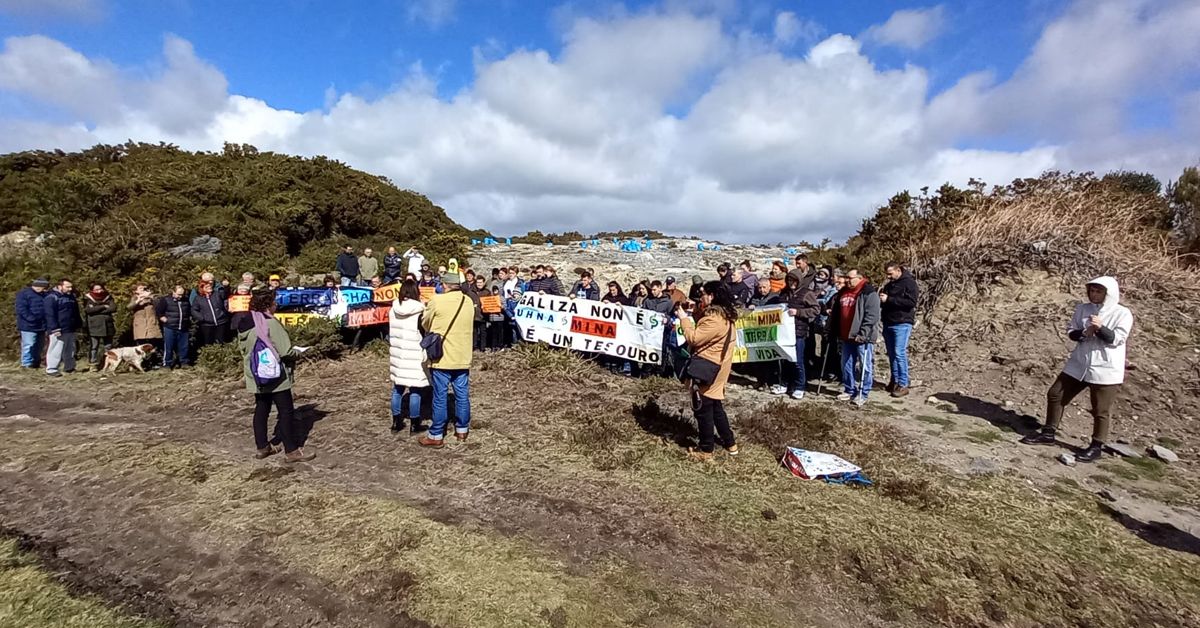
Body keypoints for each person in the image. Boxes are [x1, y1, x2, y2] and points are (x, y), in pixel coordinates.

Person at [1020, 277, 1133, 462]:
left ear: (1108, 294)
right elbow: (1072, 331)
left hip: (1105, 368)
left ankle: (1096, 446)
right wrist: (1083, 333)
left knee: (1100, 409)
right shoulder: (1083, 309)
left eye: (1099, 291)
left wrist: (1100, 328)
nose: (1094, 295)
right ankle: (1048, 432)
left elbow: (1117, 339)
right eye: (1092, 290)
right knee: (1056, 394)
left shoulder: (1122, 313)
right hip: (1079, 362)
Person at [237, 285, 313, 462]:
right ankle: (292, 451)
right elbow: (285, 351)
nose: (276, 305)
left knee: (261, 409)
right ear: (268, 304)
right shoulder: (270, 323)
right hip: (275, 375)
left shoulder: (244, 322)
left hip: (255, 374)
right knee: (286, 411)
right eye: (274, 301)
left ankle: (262, 447)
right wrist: (300, 353)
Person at [676, 281, 739, 461]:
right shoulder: (725, 316)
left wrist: (683, 318)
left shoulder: (714, 319)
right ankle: (730, 444)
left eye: (703, 294)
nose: (701, 296)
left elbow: (695, 338)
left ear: (712, 296)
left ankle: (706, 450)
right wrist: (695, 311)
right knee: (716, 408)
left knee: (702, 408)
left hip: (708, 368)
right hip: (719, 366)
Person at [418, 271, 475, 447]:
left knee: (440, 396)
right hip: (463, 355)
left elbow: (425, 323)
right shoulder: (468, 301)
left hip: (442, 356)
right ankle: (462, 430)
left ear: (445, 285)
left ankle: (436, 434)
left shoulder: (437, 300)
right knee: (462, 394)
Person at [828, 269, 880, 406]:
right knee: (846, 363)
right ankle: (849, 389)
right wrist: (833, 329)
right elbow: (836, 312)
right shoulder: (843, 292)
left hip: (862, 337)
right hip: (846, 335)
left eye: (850, 278)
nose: (847, 280)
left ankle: (863, 392)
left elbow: (872, 316)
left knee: (865, 365)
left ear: (860, 278)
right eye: (846, 278)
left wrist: (863, 333)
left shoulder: (869, 292)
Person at [389, 279, 430, 434]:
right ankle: (414, 424)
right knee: (415, 389)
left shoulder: (393, 308)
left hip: (398, 351)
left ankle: (396, 422)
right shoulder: (419, 309)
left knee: (397, 388)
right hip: (414, 351)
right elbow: (425, 328)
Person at [880, 262, 919, 397]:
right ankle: (895, 380)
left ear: (898, 270)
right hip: (888, 322)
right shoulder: (889, 285)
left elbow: (911, 302)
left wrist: (889, 299)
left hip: (902, 322)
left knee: (899, 352)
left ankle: (903, 384)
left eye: (890, 274)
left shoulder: (909, 283)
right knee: (891, 354)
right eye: (887, 274)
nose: (889, 277)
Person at [779, 274, 819, 399]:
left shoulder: (806, 293)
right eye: (789, 280)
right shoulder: (784, 293)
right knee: (784, 359)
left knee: (798, 361)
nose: (791, 282)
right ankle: (784, 384)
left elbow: (816, 309)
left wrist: (799, 312)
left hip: (798, 332)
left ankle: (800, 386)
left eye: (794, 280)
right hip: (784, 331)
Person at [748, 280, 783, 392]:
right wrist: (751, 306)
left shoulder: (775, 297)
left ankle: (771, 382)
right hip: (758, 333)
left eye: (764, 287)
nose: (762, 290)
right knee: (758, 359)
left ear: (769, 287)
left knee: (771, 360)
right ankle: (760, 381)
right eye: (760, 288)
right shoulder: (755, 297)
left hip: (770, 333)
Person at [44, 279, 81, 377]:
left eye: (71, 287)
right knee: (56, 349)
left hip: (70, 327)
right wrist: (54, 328)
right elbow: (49, 314)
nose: (70, 289)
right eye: (67, 287)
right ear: (60, 286)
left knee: (71, 349)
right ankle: (51, 369)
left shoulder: (71, 297)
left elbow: (76, 312)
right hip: (58, 328)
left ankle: (69, 367)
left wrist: (78, 324)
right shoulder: (52, 297)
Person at [15, 277, 50, 368]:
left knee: (39, 345)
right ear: (38, 286)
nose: (45, 290)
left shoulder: (44, 295)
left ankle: (36, 362)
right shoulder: (24, 294)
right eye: (44, 288)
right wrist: (31, 318)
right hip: (28, 325)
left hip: (41, 324)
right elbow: (21, 309)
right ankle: (26, 363)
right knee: (29, 344)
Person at [192, 277, 230, 356]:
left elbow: (225, 295)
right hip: (207, 325)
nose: (209, 288)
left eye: (210, 286)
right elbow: (194, 310)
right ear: (202, 288)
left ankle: (222, 357)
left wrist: (226, 287)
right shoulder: (198, 299)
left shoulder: (217, 294)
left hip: (220, 322)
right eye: (207, 287)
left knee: (221, 341)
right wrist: (202, 318)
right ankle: (209, 358)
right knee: (208, 342)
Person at [156, 285, 192, 369]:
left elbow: (189, 311)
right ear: (173, 292)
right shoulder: (165, 300)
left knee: (184, 346)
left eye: (182, 294)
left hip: (183, 326)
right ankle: (167, 364)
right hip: (170, 326)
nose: (180, 296)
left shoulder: (186, 300)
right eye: (178, 294)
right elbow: (158, 311)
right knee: (169, 346)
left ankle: (184, 362)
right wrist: (163, 318)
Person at [83, 283, 116, 366]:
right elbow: (88, 310)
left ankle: (107, 363)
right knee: (94, 347)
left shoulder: (108, 297)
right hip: (94, 326)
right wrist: (103, 306)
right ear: (92, 290)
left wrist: (96, 310)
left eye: (100, 289)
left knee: (108, 346)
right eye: (96, 289)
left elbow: (113, 308)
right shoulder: (88, 298)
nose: (99, 291)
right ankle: (93, 364)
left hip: (107, 325)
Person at [129, 284, 162, 364]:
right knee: (141, 345)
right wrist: (139, 300)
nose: (143, 289)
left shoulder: (153, 297)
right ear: (136, 291)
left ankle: (154, 362)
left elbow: (160, 305)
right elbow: (129, 307)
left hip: (152, 324)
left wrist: (150, 297)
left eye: (144, 288)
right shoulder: (134, 298)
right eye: (140, 288)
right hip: (140, 325)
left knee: (154, 344)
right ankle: (142, 363)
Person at [468, 275, 488, 352]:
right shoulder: (470, 292)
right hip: (473, 314)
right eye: (478, 282)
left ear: (483, 283)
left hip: (483, 315)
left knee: (483, 332)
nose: (479, 284)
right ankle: (474, 346)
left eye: (481, 282)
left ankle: (483, 347)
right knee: (474, 331)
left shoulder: (487, 292)